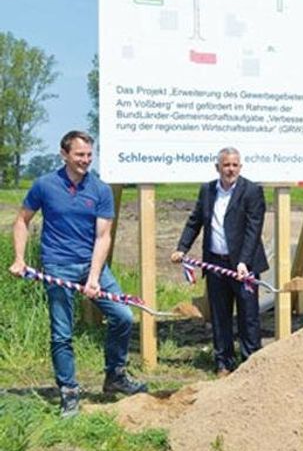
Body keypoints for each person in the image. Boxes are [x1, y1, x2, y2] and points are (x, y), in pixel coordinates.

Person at [8, 130, 147, 417]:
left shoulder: (100, 190)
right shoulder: (44, 185)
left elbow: (103, 237)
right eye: (79, 155)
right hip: (58, 266)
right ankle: (69, 392)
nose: (85, 160)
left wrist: (94, 277)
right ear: (64, 154)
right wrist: (19, 259)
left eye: (89, 155)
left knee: (123, 316)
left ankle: (115, 375)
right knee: (62, 332)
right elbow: (22, 221)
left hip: (92, 265)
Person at [171, 147, 268, 376]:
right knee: (219, 315)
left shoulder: (252, 191)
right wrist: (182, 248)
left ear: (240, 167)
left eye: (235, 165)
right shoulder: (207, 190)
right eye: (226, 165)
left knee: (248, 315)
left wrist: (244, 262)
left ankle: (251, 363)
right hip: (216, 264)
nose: (230, 169)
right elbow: (195, 221)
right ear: (218, 167)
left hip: (244, 266)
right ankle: (224, 362)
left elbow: (253, 230)